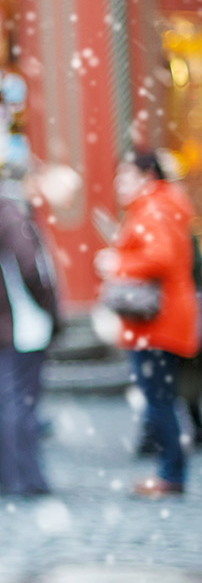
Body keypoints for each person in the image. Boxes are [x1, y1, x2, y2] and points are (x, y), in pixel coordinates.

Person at [97, 150, 199, 497]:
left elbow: (161, 257)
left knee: (159, 401)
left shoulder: (153, 208)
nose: (118, 183)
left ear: (147, 176)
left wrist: (117, 263)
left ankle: (171, 475)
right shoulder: (158, 206)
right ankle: (171, 472)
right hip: (161, 318)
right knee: (162, 399)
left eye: (125, 175)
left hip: (156, 321)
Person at [0, 156, 61, 497]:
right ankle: (25, 478)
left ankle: (5, 475)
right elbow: (31, 269)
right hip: (22, 323)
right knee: (21, 405)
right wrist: (50, 306)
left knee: (4, 403)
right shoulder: (14, 217)